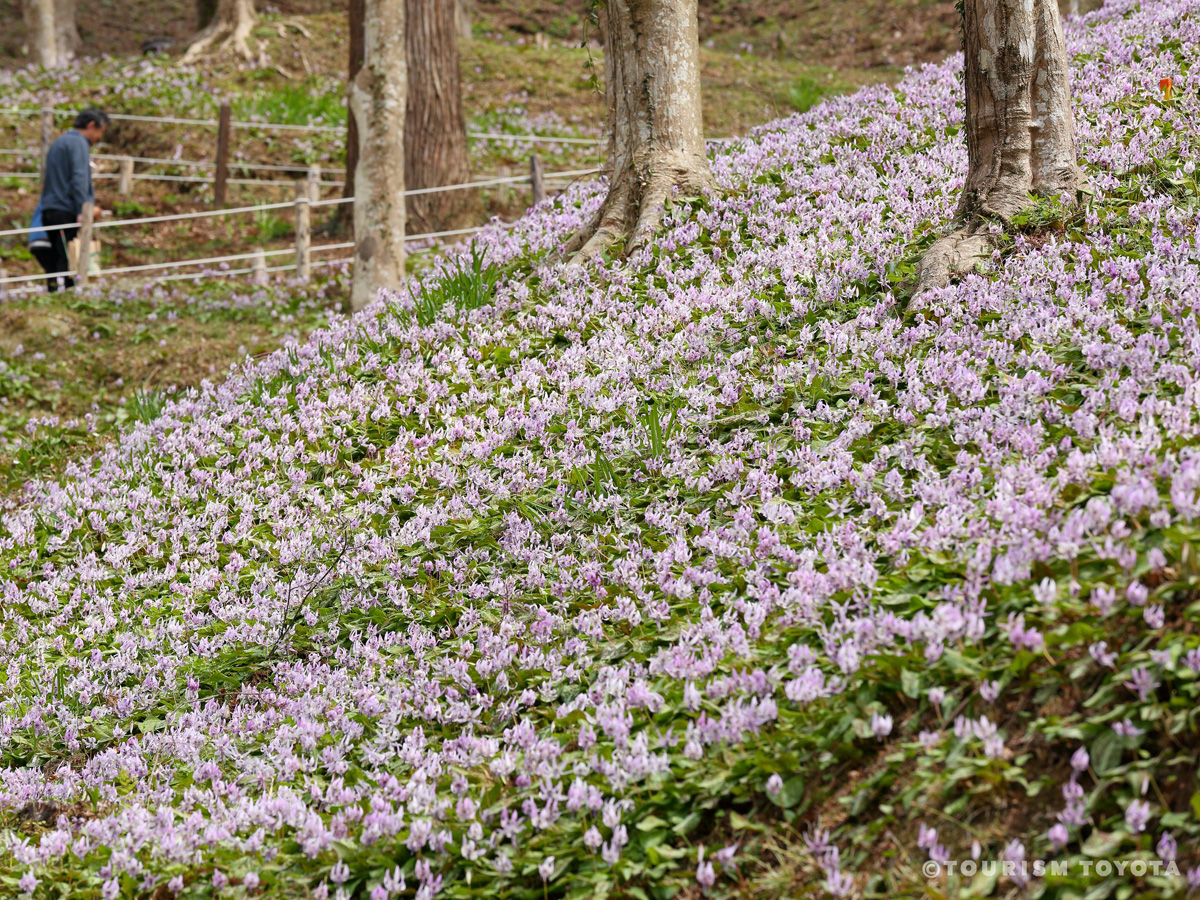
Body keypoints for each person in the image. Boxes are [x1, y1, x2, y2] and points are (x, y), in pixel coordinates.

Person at [37, 108, 108, 291]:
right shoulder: (78, 144)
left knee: (59, 258)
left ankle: (56, 295)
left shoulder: (59, 142)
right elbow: (79, 178)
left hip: (50, 209)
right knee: (69, 260)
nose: (99, 138)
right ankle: (65, 297)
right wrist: (83, 208)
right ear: (92, 126)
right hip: (65, 210)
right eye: (100, 132)